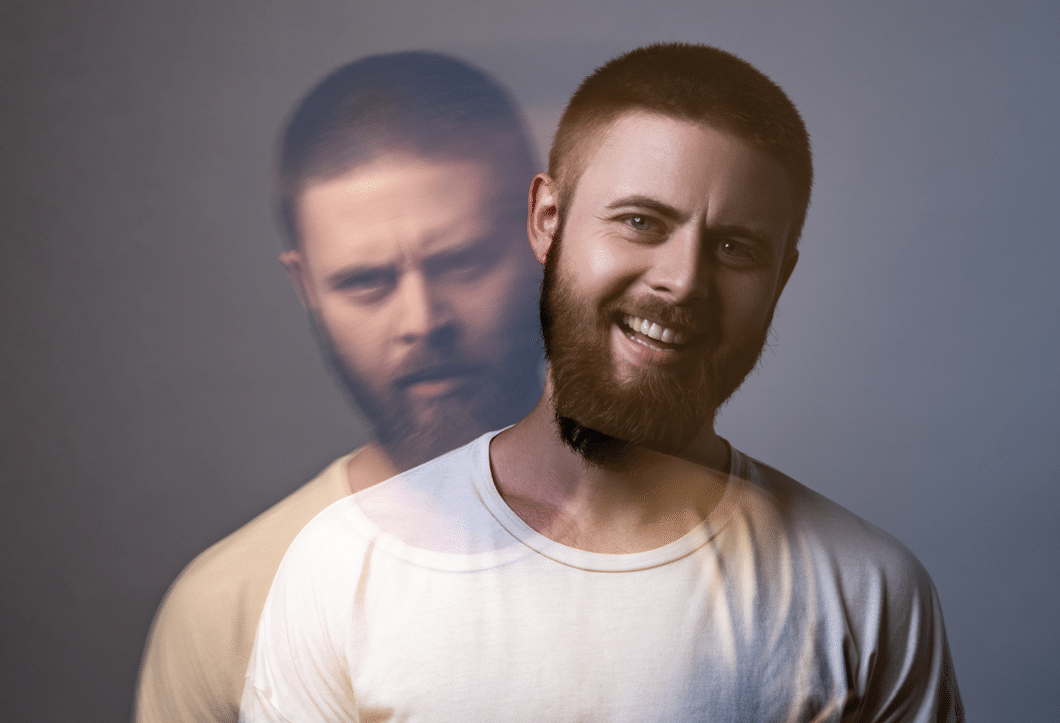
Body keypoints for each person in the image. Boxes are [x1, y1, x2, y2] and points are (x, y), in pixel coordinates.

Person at [241, 43, 963, 722]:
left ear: (781, 279)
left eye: (736, 248)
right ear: (547, 222)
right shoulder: (341, 567)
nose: (682, 282)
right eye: (641, 221)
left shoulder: (866, 592)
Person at [133, 51, 544, 723]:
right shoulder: (228, 609)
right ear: (306, 287)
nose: (422, 320)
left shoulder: (738, 550)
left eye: (462, 262)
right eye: (366, 282)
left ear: (543, 237)